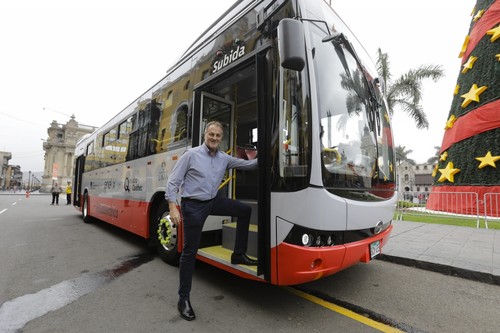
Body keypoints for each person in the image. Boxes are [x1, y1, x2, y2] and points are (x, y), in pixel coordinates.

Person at [165, 120, 258, 321]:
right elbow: (173, 182)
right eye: (211, 134)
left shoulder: (224, 158)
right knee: (190, 252)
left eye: (218, 135)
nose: (214, 138)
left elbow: (249, 165)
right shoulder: (191, 155)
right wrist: (173, 206)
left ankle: (238, 254)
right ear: (205, 135)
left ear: (221, 138)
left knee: (243, 211)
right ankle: (183, 299)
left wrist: (270, 152)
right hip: (193, 206)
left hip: (213, 201)